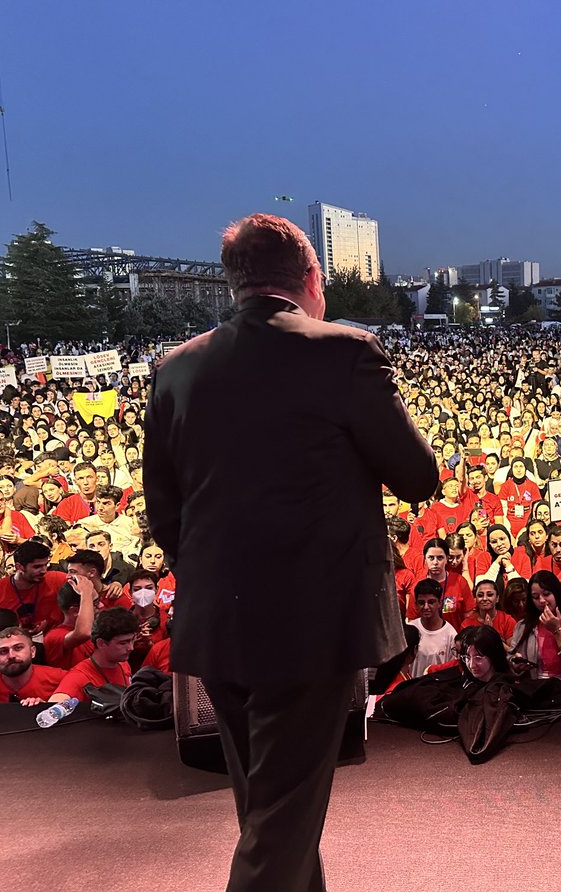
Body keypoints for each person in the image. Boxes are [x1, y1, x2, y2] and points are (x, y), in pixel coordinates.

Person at [143, 213, 438, 892]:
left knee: (270, 807)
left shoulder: (176, 368)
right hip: (312, 622)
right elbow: (418, 477)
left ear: (233, 284)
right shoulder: (346, 351)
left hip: (218, 616)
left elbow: (164, 513)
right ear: (312, 278)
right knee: (281, 820)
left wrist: (220, 580)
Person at [508, 570, 561, 690]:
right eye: (536, 597)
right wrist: (515, 665)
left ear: (556, 593)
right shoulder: (523, 625)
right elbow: (510, 657)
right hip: (536, 688)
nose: (542, 600)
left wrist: (557, 630)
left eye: (546, 594)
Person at [49, 606, 140, 702]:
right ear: (101, 643)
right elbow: (54, 706)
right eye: (123, 643)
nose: (131, 648)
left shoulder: (123, 664)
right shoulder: (79, 677)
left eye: (132, 640)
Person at [0, 626, 67, 704]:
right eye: (3, 651)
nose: (11, 655)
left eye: (18, 648)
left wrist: (48, 707)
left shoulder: (60, 678)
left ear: (33, 651)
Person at [407, 578, 458, 676]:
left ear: (440, 603)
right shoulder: (410, 630)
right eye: (421, 602)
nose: (426, 607)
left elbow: (452, 670)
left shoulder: (451, 634)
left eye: (431, 602)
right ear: (416, 604)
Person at [460, 578, 517, 643]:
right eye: (480, 595)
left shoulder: (508, 621)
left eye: (490, 595)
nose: (484, 598)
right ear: (476, 599)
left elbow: (512, 649)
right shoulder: (466, 624)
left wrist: (491, 634)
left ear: (497, 598)